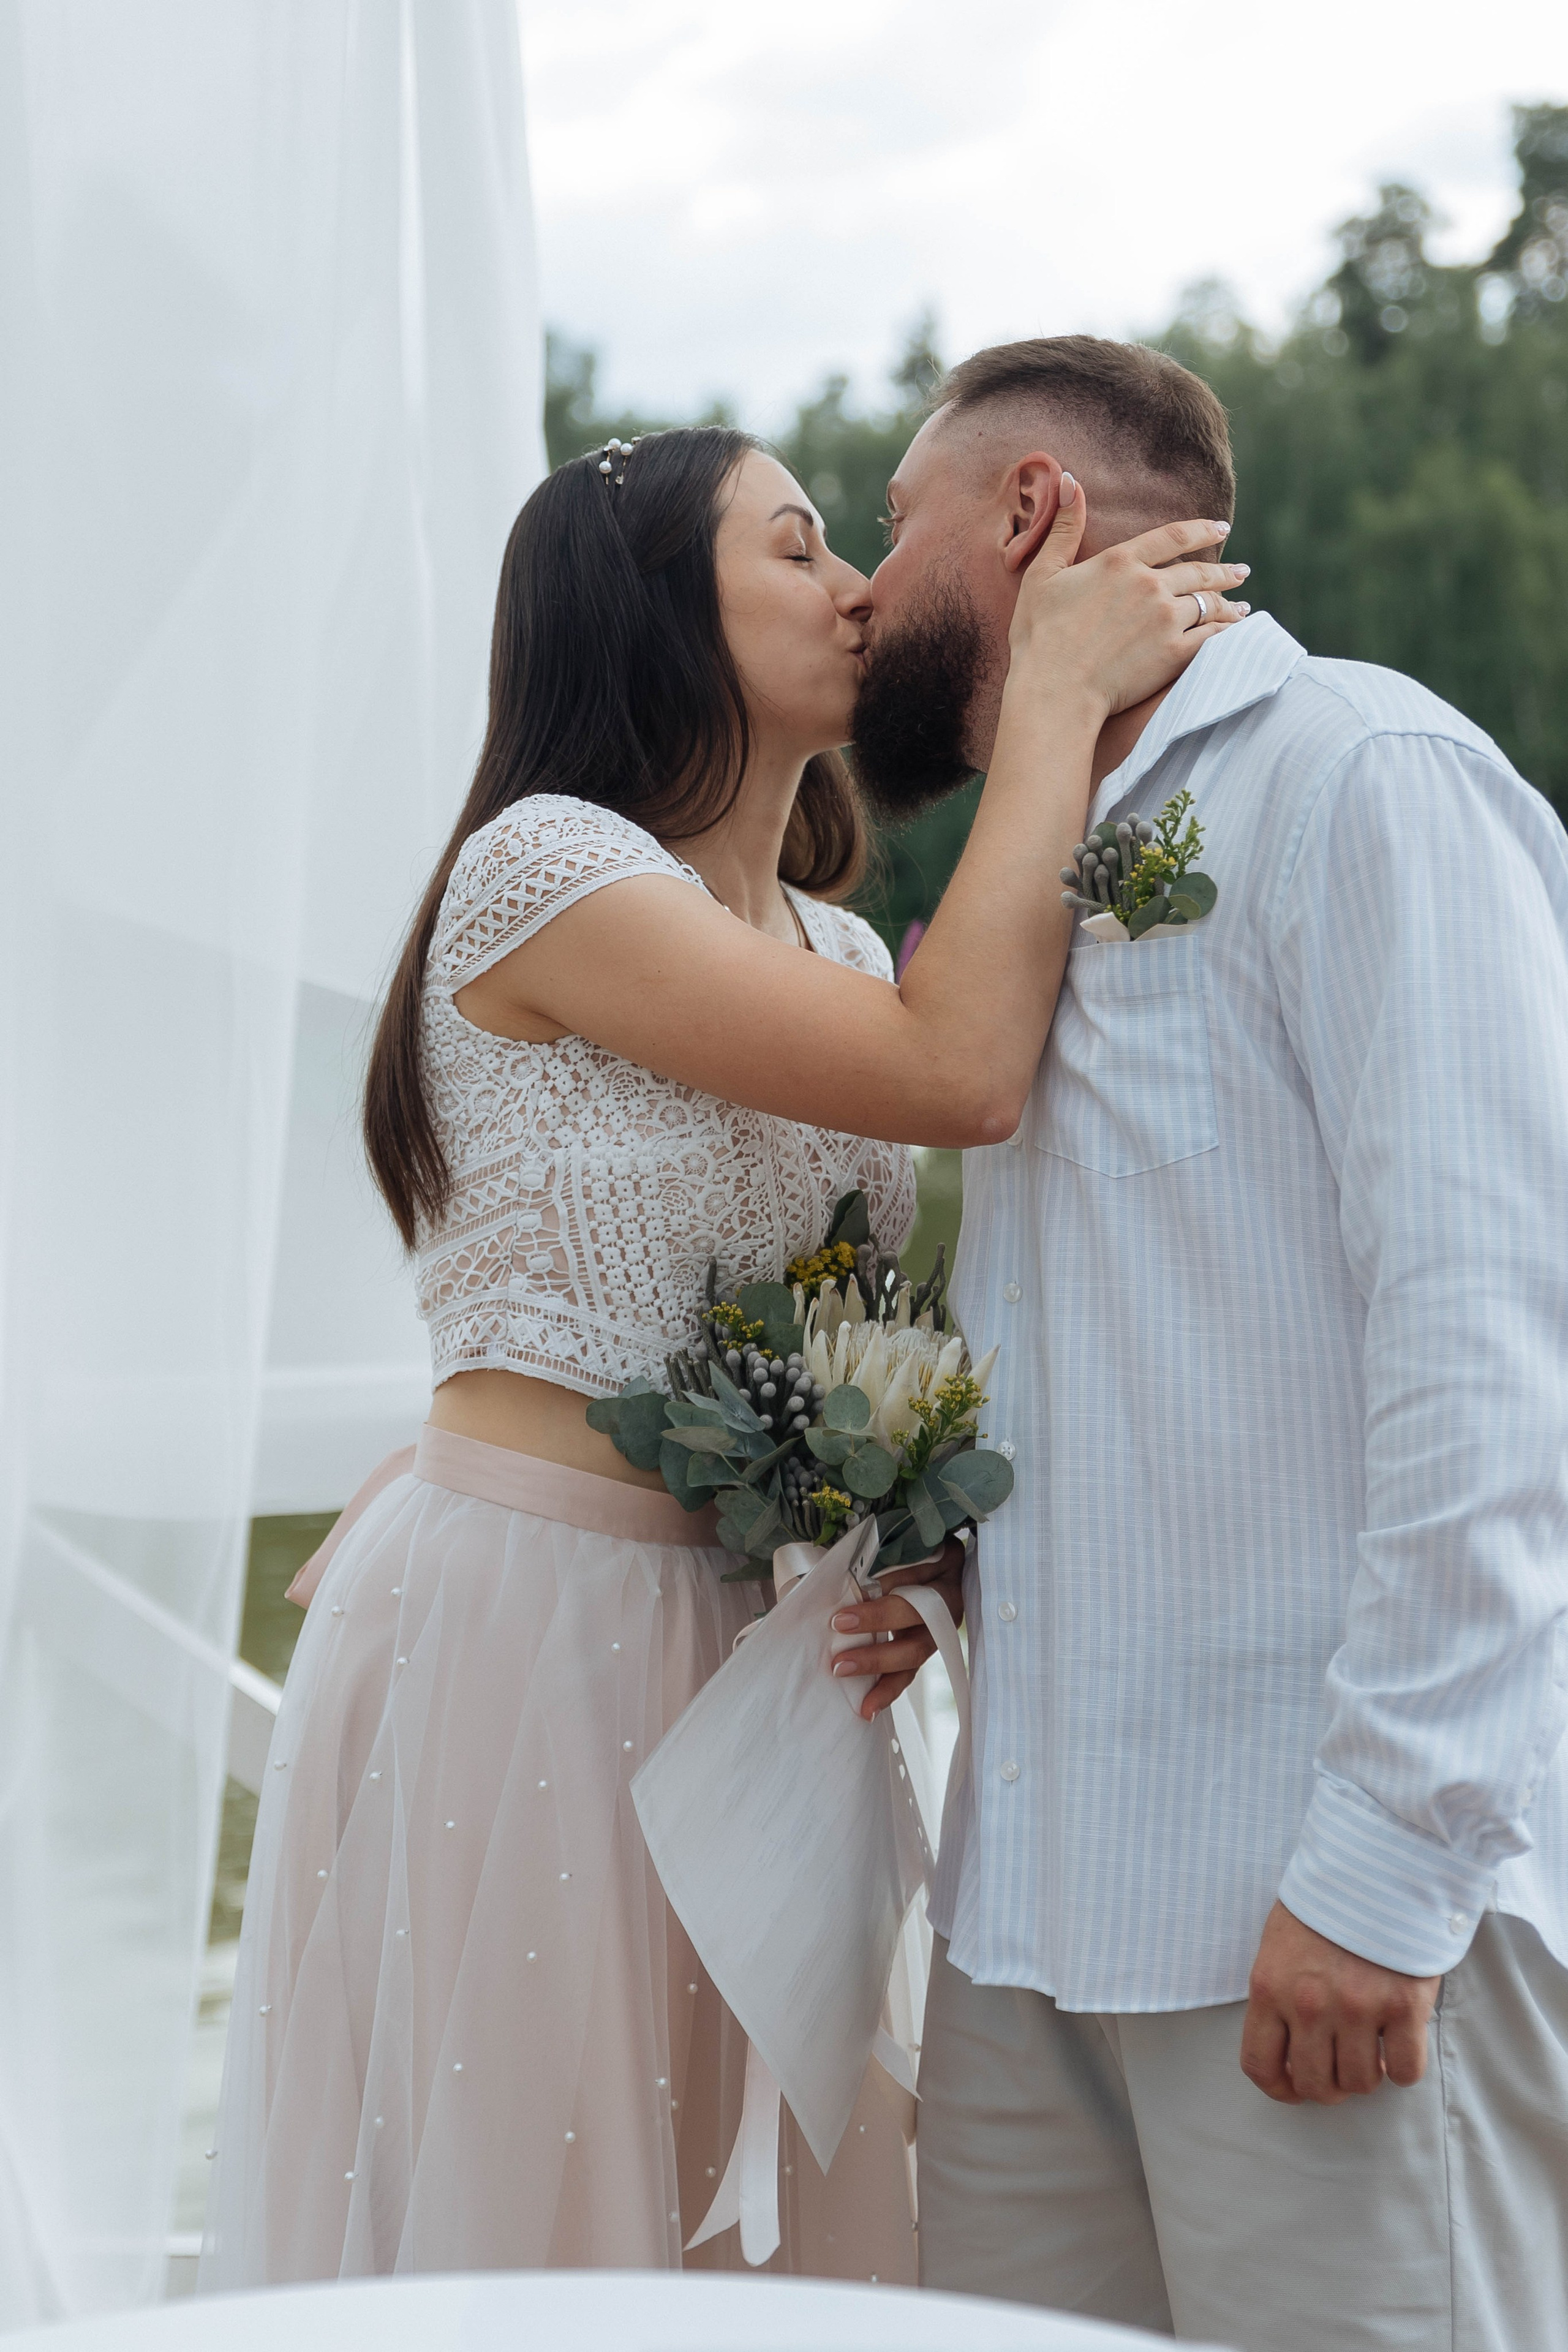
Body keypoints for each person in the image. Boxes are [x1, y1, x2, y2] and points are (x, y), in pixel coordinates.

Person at [198, 420, 1243, 2286]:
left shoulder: (842, 953)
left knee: (775, 2223)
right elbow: (962, 1075)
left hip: (761, 1662)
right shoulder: (548, 870)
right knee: (538, 2224)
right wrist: (1056, 699)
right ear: (659, 612)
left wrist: (915, 1546)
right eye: (799, 545)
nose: (856, 587)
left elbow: (860, 1313)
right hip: (530, 1620)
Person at [847, 335, 1568, 2352]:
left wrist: (1385, 1865)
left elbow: (1494, 1347)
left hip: (1310, 1906)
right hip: (1028, 1918)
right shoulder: (1040, 858)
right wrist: (942, 1552)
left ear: (1031, 512)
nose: (866, 593)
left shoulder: (1364, 777)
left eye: (893, 525)